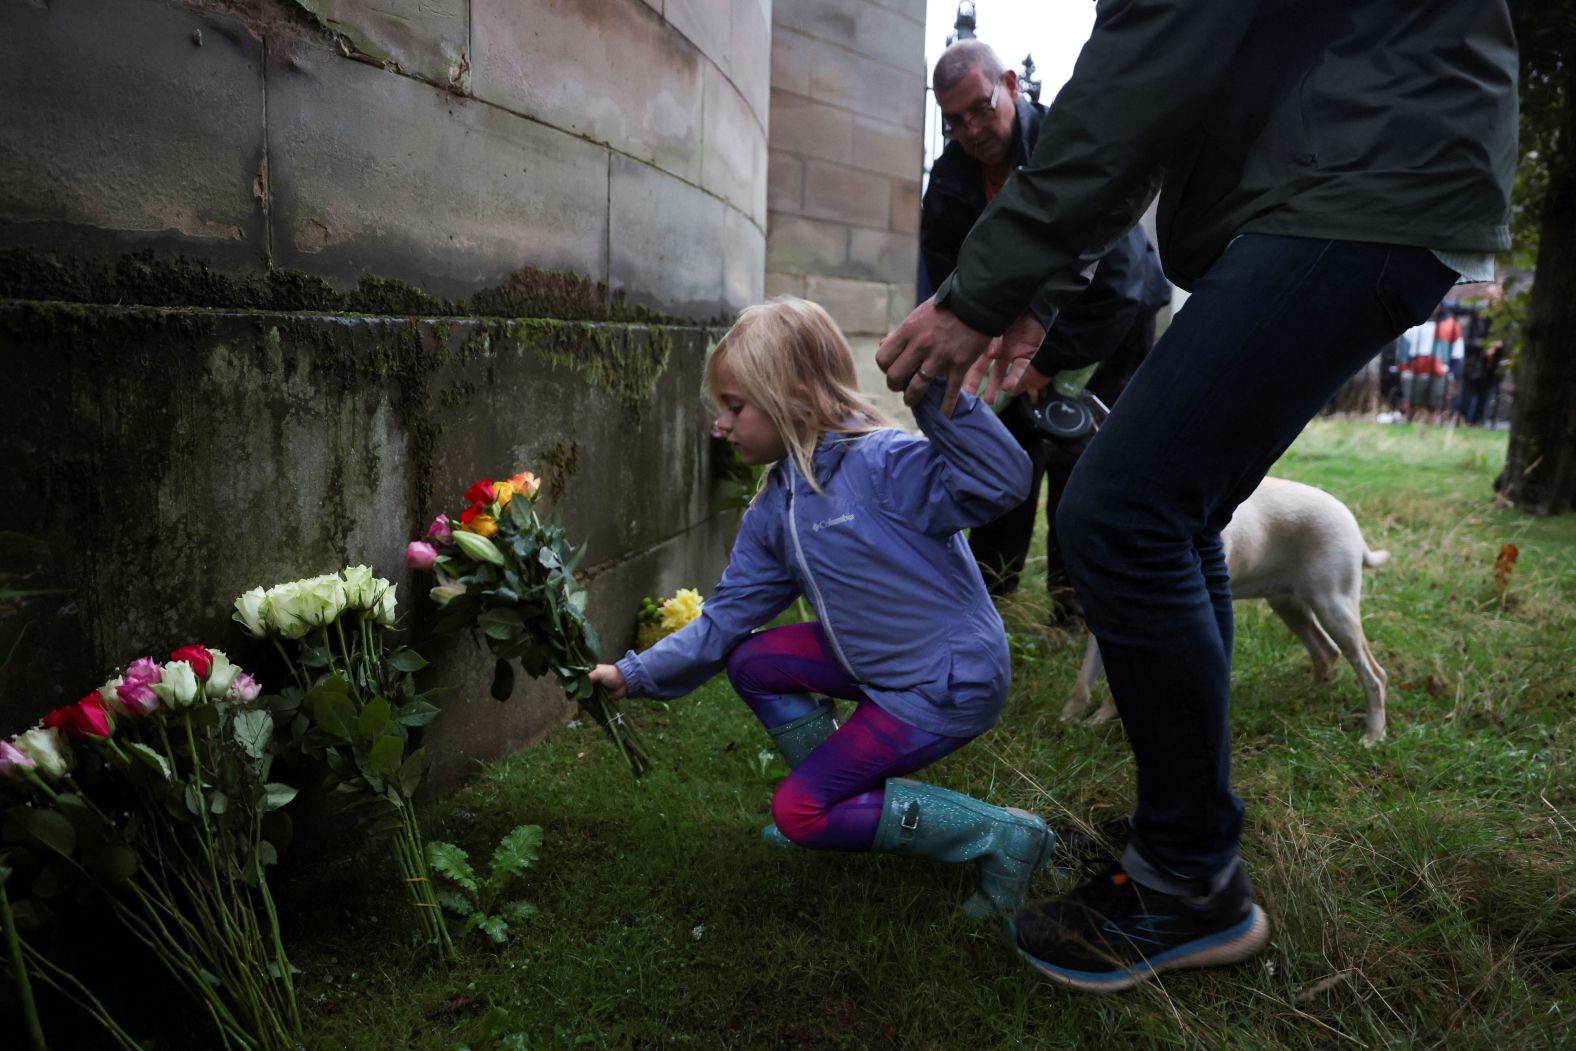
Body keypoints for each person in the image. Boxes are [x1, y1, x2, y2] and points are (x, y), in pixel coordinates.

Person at [877, 2, 1516, 992]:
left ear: (1004, 91)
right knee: (1169, 516)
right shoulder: (954, 177)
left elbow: (1139, 76)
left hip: (1361, 178)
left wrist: (980, 291)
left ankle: (1188, 879)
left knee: (1117, 509)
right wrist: (1034, 294)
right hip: (1355, 169)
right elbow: (1160, 101)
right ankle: (1187, 831)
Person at [589, 296, 1055, 917]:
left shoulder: (884, 465)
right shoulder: (776, 505)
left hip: (943, 684)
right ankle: (851, 791)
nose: (719, 426)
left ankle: (1002, 836)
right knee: (753, 661)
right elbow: (726, 621)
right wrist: (634, 674)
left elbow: (1001, 480)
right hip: (878, 665)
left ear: (797, 398)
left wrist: (932, 391)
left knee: (801, 814)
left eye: (735, 406)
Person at [921, 39, 1171, 616]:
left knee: (1082, 461)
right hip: (1013, 343)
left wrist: (1044, 366)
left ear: (1010, 85)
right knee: (1006, 451)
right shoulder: (951, 178)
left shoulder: (1068, 146)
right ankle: (992, 594)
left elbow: (1119, 282)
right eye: (954, 121)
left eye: (981, 107)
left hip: (1111, 327)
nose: (972, 129)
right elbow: (949, 282)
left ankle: (1075, 604)